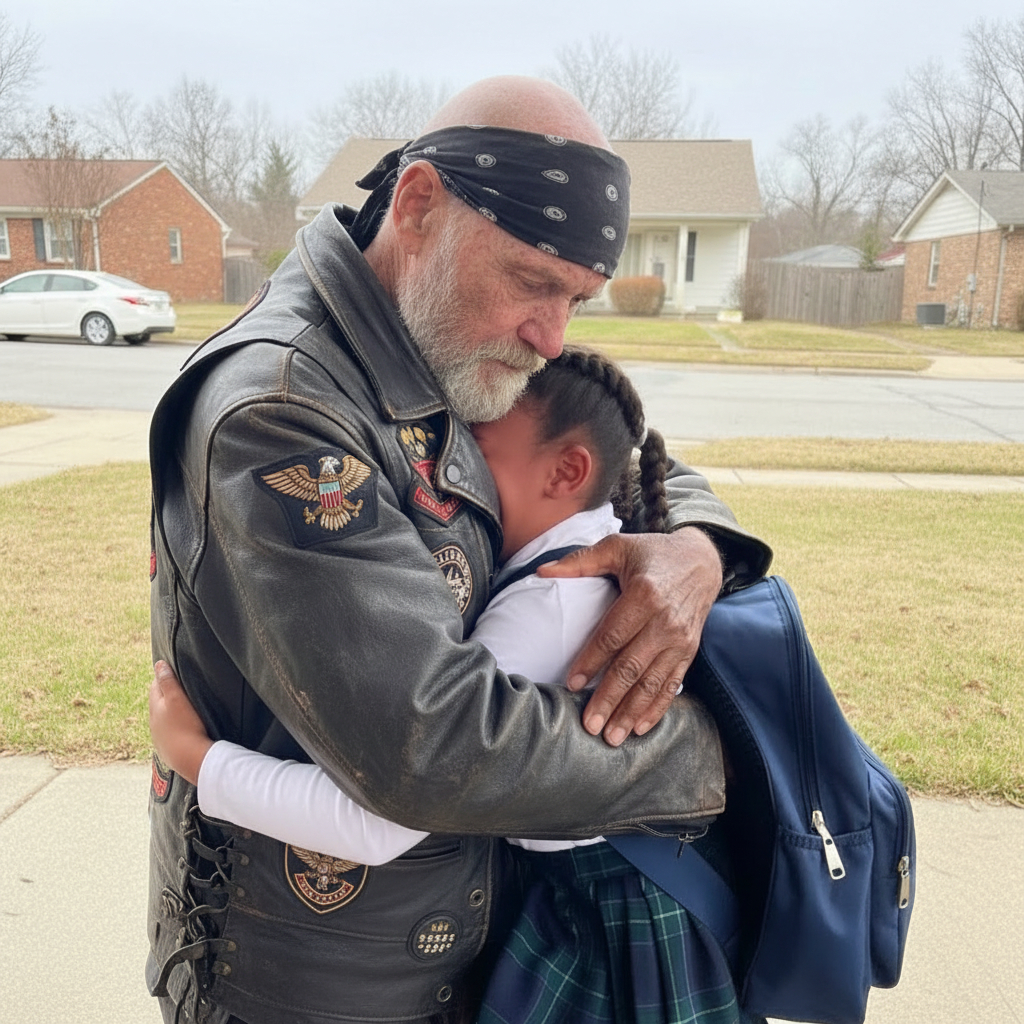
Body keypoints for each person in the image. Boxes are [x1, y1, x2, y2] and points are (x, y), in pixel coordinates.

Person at [147, 75, 772, 1024]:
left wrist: (697, 546)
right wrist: (709, 751)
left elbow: (609, 447)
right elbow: (431, 750)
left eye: (577, 299)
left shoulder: (443, 331)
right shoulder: (283, 411)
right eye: (534, 282)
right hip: (319, 985)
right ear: (418, 206)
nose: (551, 337)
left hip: (469, 954)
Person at [150, 346, 748, 1024]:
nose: (444, 480)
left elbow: (382, 821)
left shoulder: (547, 604)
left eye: (475, 454)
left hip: (604, 927)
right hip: (636, 886)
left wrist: (199, 760)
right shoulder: (602, 547)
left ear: (567, 471)